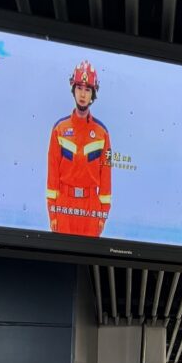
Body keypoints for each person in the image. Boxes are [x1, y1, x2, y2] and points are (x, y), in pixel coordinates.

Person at [46, 61, 112, 236]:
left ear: (93, 94)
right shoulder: (59, 129)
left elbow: (106, 176)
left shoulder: (103, 133)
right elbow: (52, 174)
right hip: (64, 206)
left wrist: (102, 215)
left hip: (91, 208)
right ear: (73, 89)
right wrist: (52, 212)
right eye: (80, 88)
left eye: (88, 89)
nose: (83, 94)